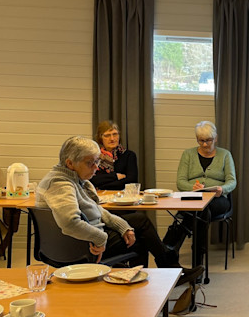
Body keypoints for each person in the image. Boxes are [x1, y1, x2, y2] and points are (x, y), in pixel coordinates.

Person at [36, 135, 203, 285]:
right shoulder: (60, 184)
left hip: (84, 237)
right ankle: (158, 276)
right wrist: (100, 239)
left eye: (97, 161)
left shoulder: (73, 179)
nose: (96, 167)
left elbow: (96, 209)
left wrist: (123, 227)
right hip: (82, 245)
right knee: (140, 236)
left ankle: (166, 271)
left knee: (138, 221)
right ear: (70, 163)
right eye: (90, 163)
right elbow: (69, 222)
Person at [162, 121, 236, 261]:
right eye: (201, 141)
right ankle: (198, 259)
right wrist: (192, 188)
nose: (205, 144)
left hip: (218, 199)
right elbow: (180, 182)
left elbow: (232, 181)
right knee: (201, 211)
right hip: (193, 197)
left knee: (200, 209)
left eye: (209, 140)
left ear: (216, 138)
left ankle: (170, 246)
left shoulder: (225, 155)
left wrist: (222, 189)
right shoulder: (188, 154)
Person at [90, 120, 138, 192]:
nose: (112, 139)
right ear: (100, 138)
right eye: (107, 135)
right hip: (99, 195)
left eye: (115, 134)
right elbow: (91, 180)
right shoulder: (95, 156)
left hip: (123, 195)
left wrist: (102, 186)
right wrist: (116, 176)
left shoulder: (129, 155)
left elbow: (131, 180)